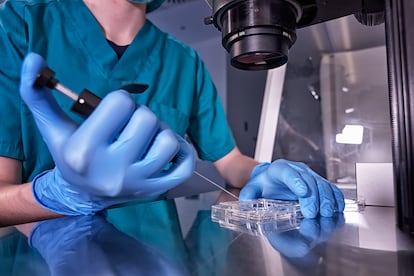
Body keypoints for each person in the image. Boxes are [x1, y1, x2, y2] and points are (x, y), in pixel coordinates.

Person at [0, 0, 344, 227]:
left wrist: (264, 174)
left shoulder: (184, 60)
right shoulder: (22, 22)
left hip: (161, 257)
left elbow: (231, 163)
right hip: (45, 257)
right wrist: (59, 193)